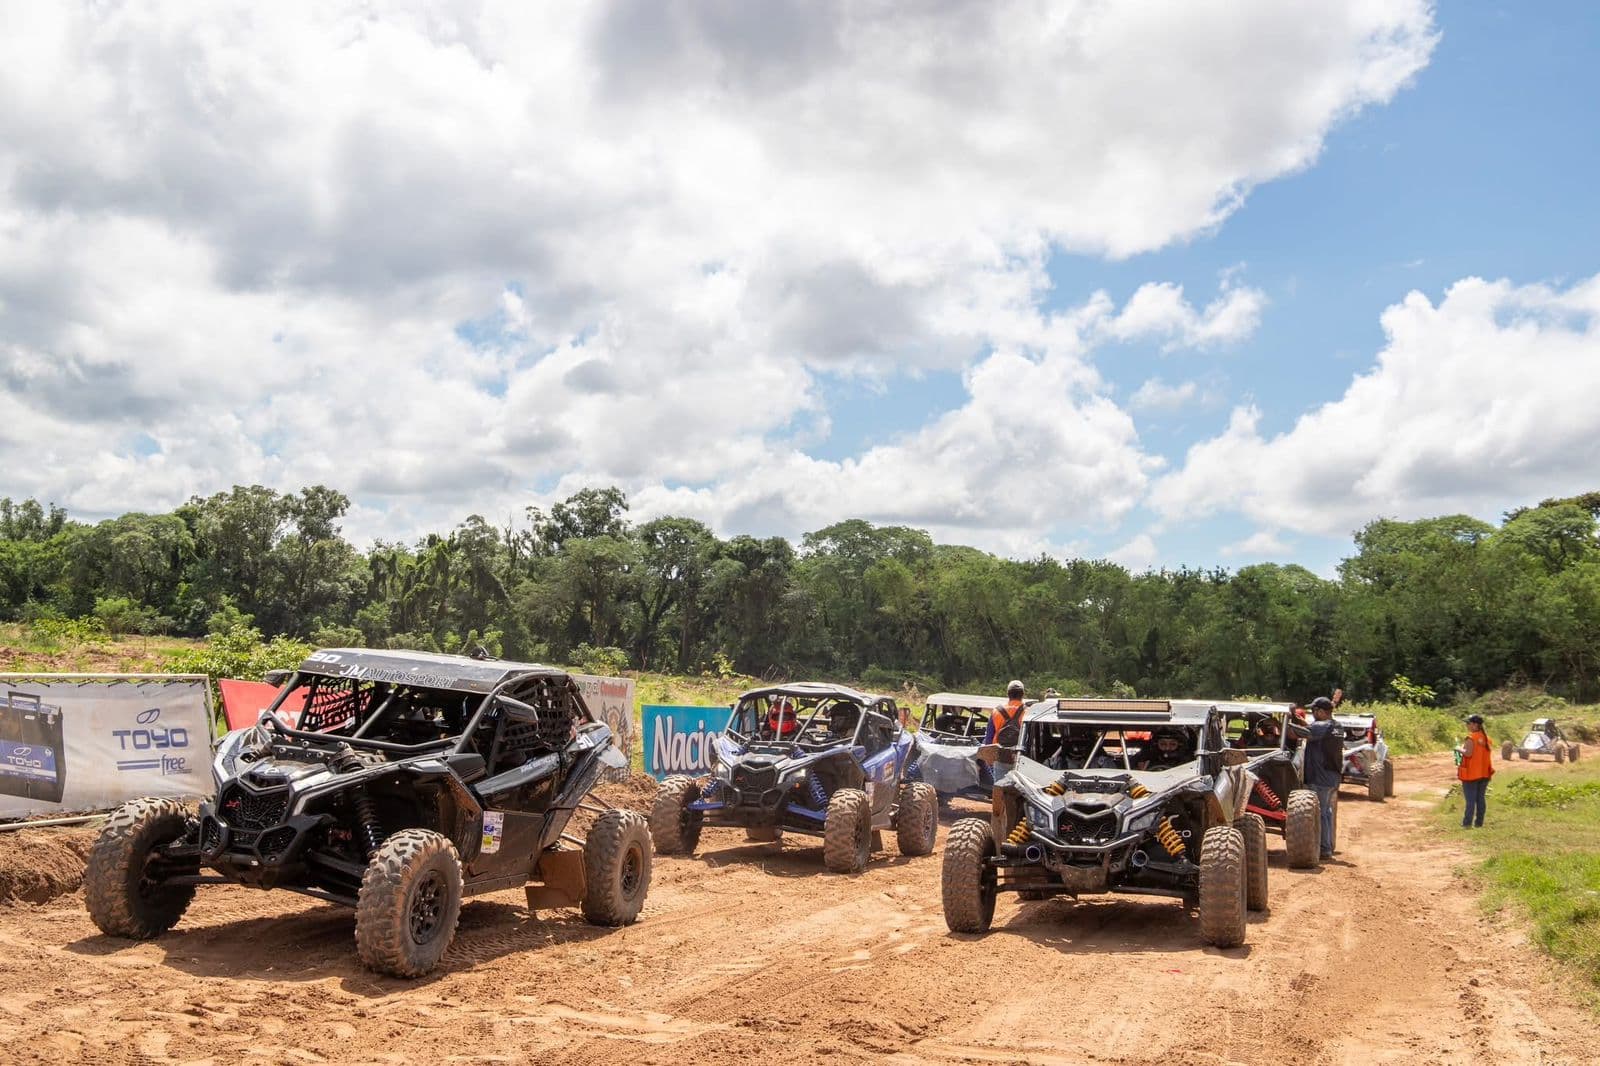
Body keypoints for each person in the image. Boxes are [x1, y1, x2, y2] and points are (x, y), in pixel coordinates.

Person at [1303, 696, 1343, 859]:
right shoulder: (1336, 726)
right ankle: (1328, 846)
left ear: (1320, 711)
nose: (1312, 714)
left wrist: (1278, 724)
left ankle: (1325, 848)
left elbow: (1298, 733)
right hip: (1332, 775)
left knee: (1321, 812)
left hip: (1321, 777)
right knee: (1326, 811)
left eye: (1313, 710)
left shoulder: (1322, 726)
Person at [1458, 713, 1494, 828]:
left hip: (1471, 774)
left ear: (1475, 725)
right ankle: (1479, 823)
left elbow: (1468, 753)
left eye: (1468, 723)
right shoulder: (1487, 739)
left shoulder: (1471, 738)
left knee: (1470, 800)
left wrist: (1458, 749)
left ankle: (1467, 823)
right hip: (1484, 773)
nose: (1467, 726)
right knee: (1480, 799)